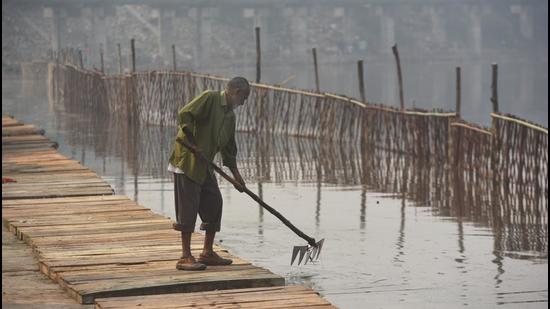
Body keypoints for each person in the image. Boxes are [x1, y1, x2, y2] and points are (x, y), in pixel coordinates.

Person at [168, 77, 249, 271]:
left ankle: (207, 252)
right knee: (188, 208)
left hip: (206, 166)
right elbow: (185, 114)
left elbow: (229, 149)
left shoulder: (230, 117)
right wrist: (193, 143)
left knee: (214, 203)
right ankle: (185, 256)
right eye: (244, 97)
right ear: (236, 92)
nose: (244, 102)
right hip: (187, 160)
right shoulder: (210, 98)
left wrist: (237, 176)